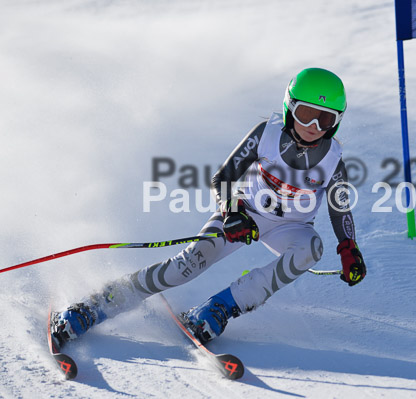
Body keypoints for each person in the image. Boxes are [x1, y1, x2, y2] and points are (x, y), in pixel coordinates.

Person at [51, 67, 367, 346]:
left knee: (312, 247)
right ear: (289, 108)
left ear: (336, 122)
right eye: (304, 114)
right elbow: (224, 177)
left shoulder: (333, 159)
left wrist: (348, 248)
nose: (313, 125)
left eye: (325, 118)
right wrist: (232, 213)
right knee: (186, 266)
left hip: (290, 228)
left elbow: (340, 209)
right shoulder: (265, 135)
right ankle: (96, 305)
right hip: (245, 214)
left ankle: (219, 308)